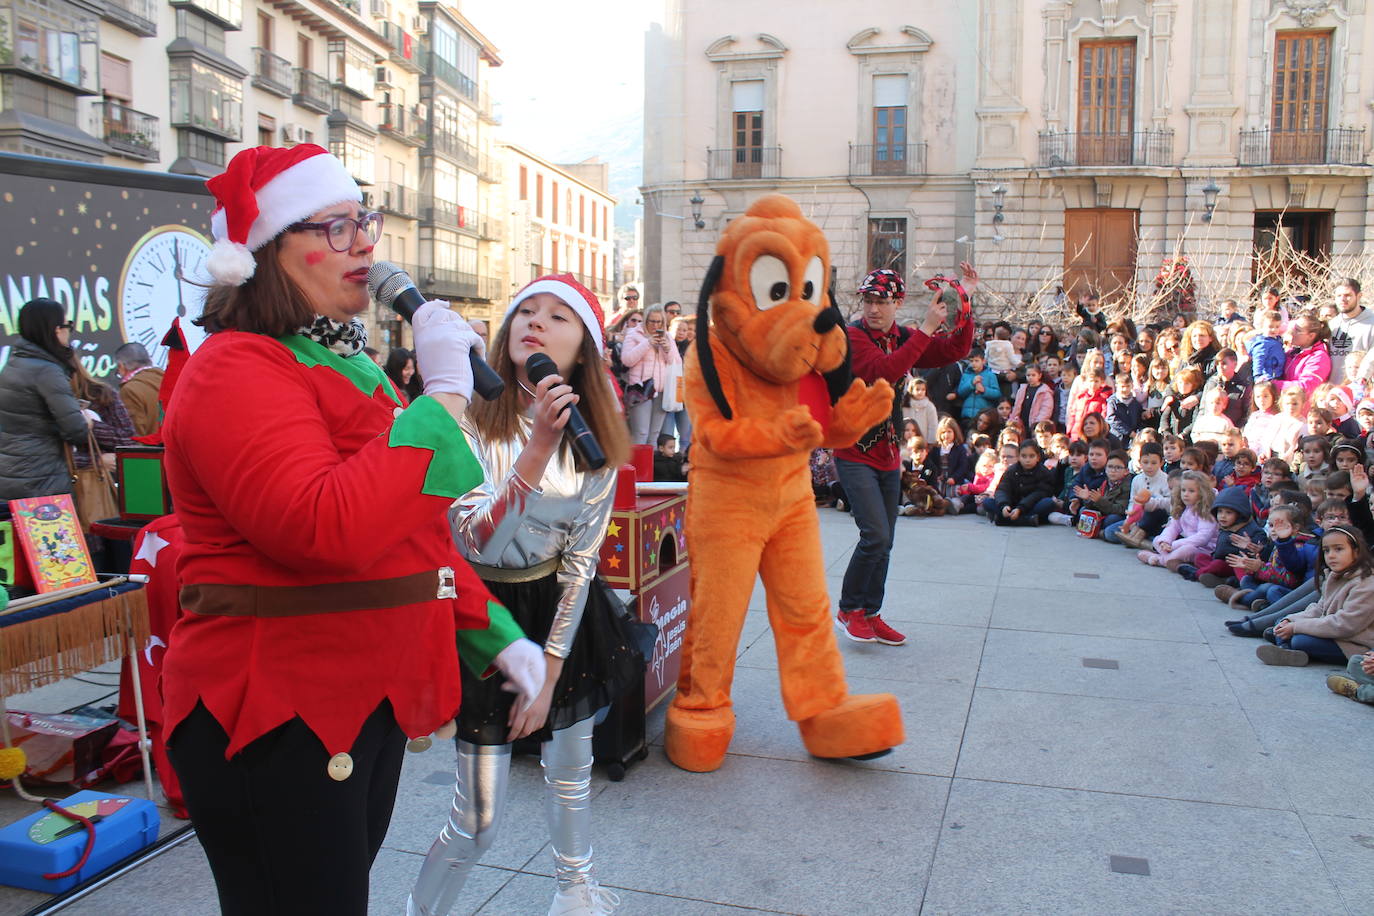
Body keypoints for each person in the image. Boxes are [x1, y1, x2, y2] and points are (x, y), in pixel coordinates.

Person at [157, 144, 540, 916]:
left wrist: (491, 632)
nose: (365, 241)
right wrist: (441, 396)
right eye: (334, 227)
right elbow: (321, 526)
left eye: (362, 219)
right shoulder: (236, 368)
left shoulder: (344, 367)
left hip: (358, 699)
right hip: (276, 708)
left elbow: (411, 535)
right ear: (266, 254)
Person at [410, 275, 636, 916]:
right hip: (483, 615)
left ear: (582, 351)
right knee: (479, 817)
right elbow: (476, 541)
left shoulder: (597, 443)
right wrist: (536, 448)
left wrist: (553, 665)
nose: (535, 322)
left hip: (564, 616)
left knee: (571, 770)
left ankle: (576, 890)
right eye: (526, 311)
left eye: (559, 317)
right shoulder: (473, 422)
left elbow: (582, 559)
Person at [834, 264, 976, 646]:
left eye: (881, 300)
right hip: (852, 450)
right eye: (868, 300)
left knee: (887, 540)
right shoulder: (852, 336)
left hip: (887, 452)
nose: (873, 308)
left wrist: (962, 303)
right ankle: (849, 609)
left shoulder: (903, 336)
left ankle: (871, 612)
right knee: (875, 534)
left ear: (897, 302)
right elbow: (883, 370)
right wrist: (927, 329)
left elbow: (954, 349)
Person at [0, 298, 91, 500]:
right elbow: (77, 430)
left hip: (10, 472)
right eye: (68, 326)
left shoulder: (14, 364)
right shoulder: (47, 371)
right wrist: (87, 421)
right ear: (56, 330)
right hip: (43, 476)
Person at [1258, 525, 1374, 667]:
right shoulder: (1334, 576)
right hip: (1333, 633)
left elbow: (1344, 625)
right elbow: (1319, 608)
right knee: (1281, 623)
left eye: (1339, 549)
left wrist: (1296, 627)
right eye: (1326, 550)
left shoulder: (1366, 583)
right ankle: (1287, 649)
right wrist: (1290, 620)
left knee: (1300, 640)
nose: (1331, 555)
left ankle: (1288, 648)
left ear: (1356, 552)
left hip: (1355, 644)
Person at [620, 304, 682, 445]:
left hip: (661, 391)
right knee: (641, 433)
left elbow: (677, 363)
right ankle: (638, 466)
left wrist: (667, 349)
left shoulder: (667, 337)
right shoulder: (634, 335)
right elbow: (627, 360)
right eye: (652, 321)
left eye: (659, 321)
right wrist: (647, 343)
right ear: (646, 320)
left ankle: (650, 467)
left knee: (654, 435)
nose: (655, 325)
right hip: (641, 390)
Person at [1136, 470, 1218, 573]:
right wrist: (1165, 542)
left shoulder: (1206, 511)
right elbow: (1173, 527)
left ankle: (1159, 560)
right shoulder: (1184, 507)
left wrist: (1174, 545)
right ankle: (1171, 559)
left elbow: (1203, 537)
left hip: (1204, 549)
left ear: (1202, 492)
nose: (1186, 494)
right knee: (1157, 540)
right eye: (1183, 490)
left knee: (1186, 550)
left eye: (1191, 491)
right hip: (1183, 544)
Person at [114, 341, 166, 437]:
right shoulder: (171, 380)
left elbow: (135, 435)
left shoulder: (129, 391)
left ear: (121, 366)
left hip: (152, 450)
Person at [1327, 279, 1374, 383]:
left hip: (1362, 389)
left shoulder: (1371, 323)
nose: (1342, 299)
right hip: (1333, 392)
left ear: (1359, 296)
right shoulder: (1332, 325)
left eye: (1347, 295)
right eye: (1339, 296)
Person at [1277, 314, 1332, 397]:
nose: (1292, 333)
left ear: (1311, 336)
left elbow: (1306, 387)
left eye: (1298, 330)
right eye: (1294, 328)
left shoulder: (1319, 358)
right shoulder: (1292, 352)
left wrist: (1274, 385)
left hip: (1304, 406)